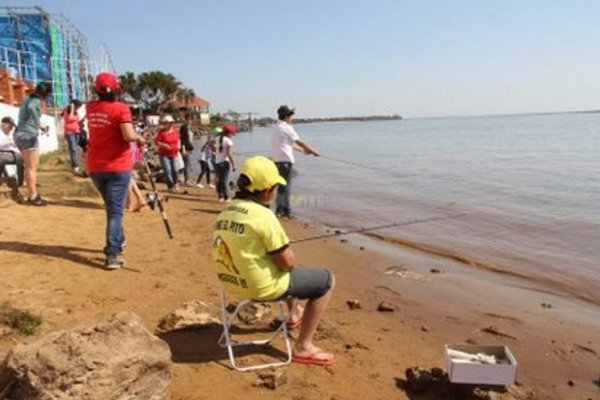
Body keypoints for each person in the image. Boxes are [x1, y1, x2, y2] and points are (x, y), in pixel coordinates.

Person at [212, 155, 335, 366]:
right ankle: (303, 347)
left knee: (278, 269)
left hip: (230, 282)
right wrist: (282, 248)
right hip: (258, 287)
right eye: (275, 187)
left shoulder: (226, 211)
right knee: (327, 280)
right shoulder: (263, 216)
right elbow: (288, 263)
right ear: (268, 190)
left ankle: (295, 313)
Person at [86, 72, 146, 270]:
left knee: (112, 208)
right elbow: (128, 135)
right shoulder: (121, 109)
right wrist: (139, 138)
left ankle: (119, 240)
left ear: (96, 89)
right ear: (117, 89)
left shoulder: (90, 107)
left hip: (96, 167)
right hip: (117, 167)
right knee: (115, 213)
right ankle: (112, 254)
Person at [271, 105, 320, 218]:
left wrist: (303, 151)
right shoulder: (287, 127)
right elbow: (299, 141)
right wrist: (314, 151)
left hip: (277, 161)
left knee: (281, 187)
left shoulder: (276, 127)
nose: (292, 118)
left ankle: (280, 210)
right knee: (286, 187)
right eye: (291, 115)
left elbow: (289, 144)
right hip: (285, 162)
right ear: (287, 116)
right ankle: (286, 211)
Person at [13, 81, 53, 206]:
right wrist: (39, 125)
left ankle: (32, 192)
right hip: (28, 135)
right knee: (32, 167)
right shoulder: (34, 102)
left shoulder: (28, 98)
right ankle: (33, 196)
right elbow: (32, 109)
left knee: (29, 166)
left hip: (19, 134)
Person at [0, 116, 24, 202]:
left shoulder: (10, 135)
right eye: (10, 126)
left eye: (12, 127)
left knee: (20, 158)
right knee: (2, 159)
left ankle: (19, 182)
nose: (11, 129)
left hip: (11, 155)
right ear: (3, 125)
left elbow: (16, 147)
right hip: (3, 154)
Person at [154, 115, 181, 192]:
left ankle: (176, 183)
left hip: (174, 153)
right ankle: (170, 186)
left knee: (175, 169)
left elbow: (178, 139)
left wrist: (179, 145)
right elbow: (156, 142)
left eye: (169, 123)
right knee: (167, 170)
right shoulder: (162, 132)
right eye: (166, 123)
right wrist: (164, 145)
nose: (168, 124)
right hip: (164, 154)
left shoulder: (175, 130)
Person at [214, 123, 236, 202]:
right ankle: (226, 197)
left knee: (220, 179)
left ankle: (220, 196)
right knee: (224, 180)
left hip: (217, 162)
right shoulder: (228, 141)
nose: (233, 135)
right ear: (228, 133)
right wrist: (233, 164)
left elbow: (214, 146)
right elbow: (228, 153)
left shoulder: (217, 138)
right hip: (224, 162)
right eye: (232, 133)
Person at [62, 99, 83, 174]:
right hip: (69, 132)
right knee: (73, 149)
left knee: (75, 149)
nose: (78, 108)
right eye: (77, 106)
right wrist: (72, 108)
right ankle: (75, 166)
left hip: (76, 132)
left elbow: (77, 120)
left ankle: (75, 165)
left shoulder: (75, 112)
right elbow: (70, 118)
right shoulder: (67, 110)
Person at [179, 114, 195, 187]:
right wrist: (183, 149)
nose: (189, 121)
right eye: (188, 119)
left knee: (187, 164)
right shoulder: (184, 128)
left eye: (191, 119)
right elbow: (182, 139)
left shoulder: (188, 128)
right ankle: (186, 180)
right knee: (186, 165)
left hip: (188, 149)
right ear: (185, 120)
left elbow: (189, 140)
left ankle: (186, 179)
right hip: (185, 149)